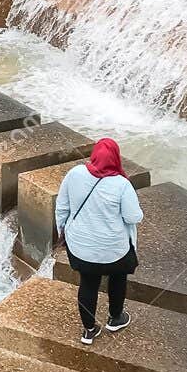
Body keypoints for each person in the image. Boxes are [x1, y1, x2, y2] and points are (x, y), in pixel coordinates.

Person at [55, 138, 142, 344]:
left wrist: (64, 232)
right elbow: (133, 217)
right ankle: (116, 317)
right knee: (118, 278)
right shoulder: (122, 184)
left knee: (88, 282)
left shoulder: (74, 174)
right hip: (114, 249)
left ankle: (89, 330)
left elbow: (62, 208)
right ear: (116, 158)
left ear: (94, 155)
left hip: (81, 247)